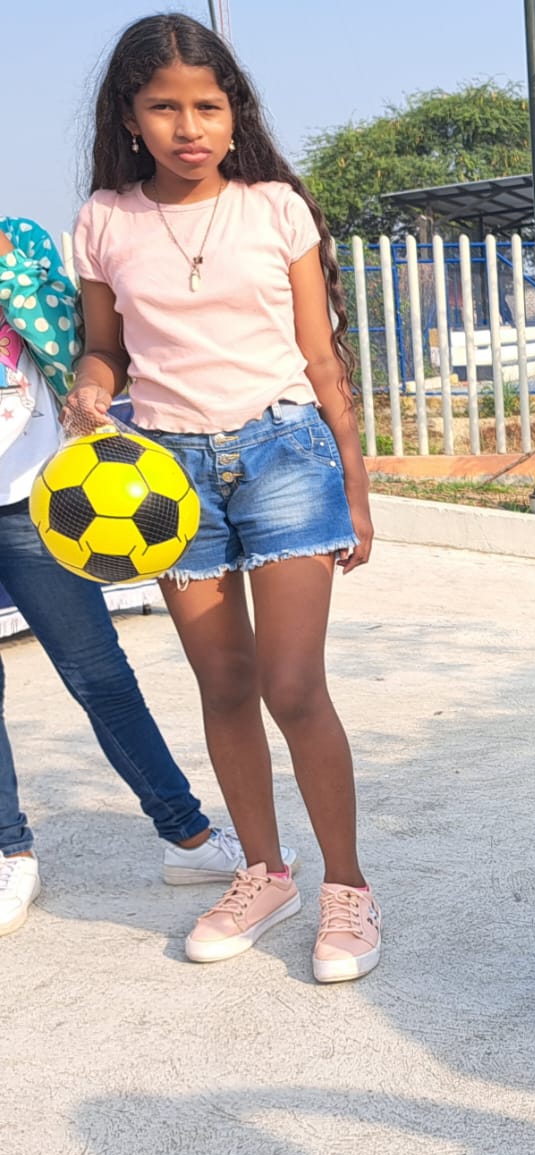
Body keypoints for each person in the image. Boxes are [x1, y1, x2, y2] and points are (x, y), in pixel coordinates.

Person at [64, 15, 378, 982]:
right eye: (164, 107)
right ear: (130, 117)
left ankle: (347, 889)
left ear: (234, 112)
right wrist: (88, 388)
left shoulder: (274, 208)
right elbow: (105, 349)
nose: (189, 126)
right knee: (226, 686)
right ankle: (265, 874)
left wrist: (356, 487)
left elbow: (322, 357)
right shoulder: (105, 220)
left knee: (293, 685)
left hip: (285, 452)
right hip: (167, 478)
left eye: (207, 105)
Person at [0, 214, 295, 936]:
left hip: (39, 499)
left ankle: (187, 836)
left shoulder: (19, 240)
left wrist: (4, 261)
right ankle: (9, 851)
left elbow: (70, 344)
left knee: (99, 675)